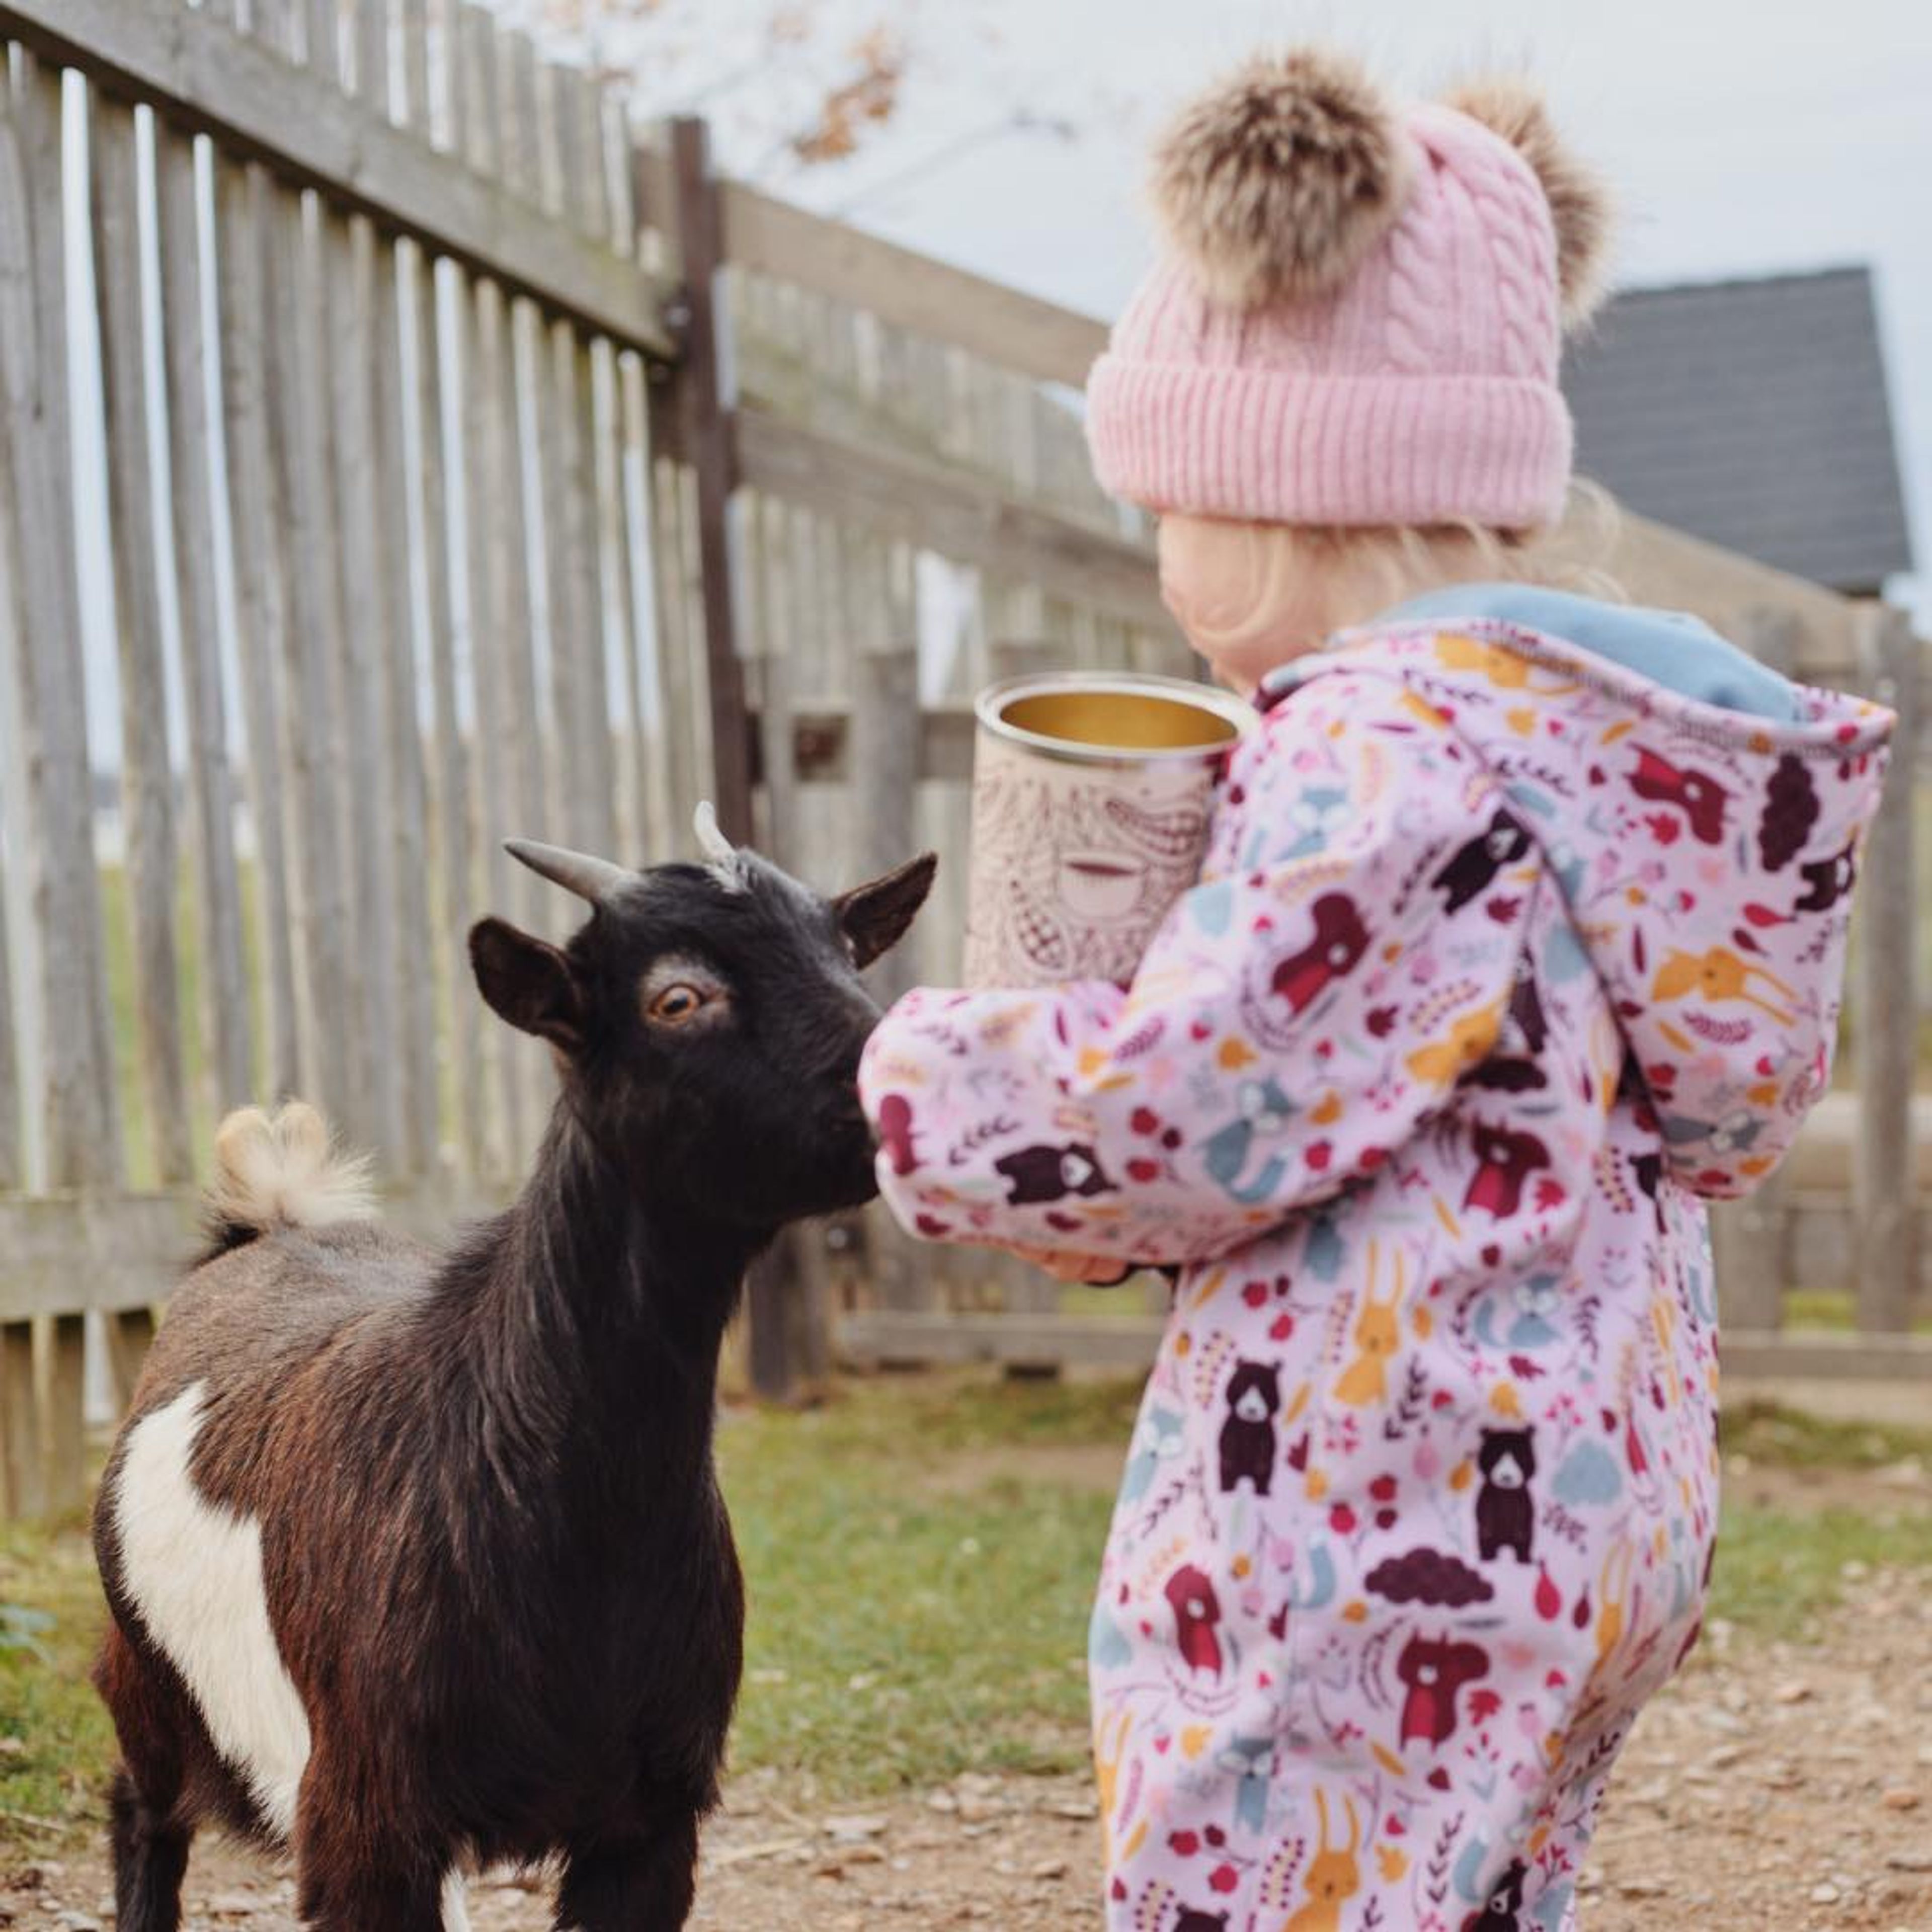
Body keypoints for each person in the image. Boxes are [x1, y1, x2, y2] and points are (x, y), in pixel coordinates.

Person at [856, 49, 1896, 1931]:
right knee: (1465, 1885)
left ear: (1286, 499)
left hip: (1371, 1516)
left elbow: (1187, 1103)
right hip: (1583, 1497)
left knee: (1261, 1883)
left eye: (1169, 508)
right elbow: (1721, 1101)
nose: (1163, 564)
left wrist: (927, 1070)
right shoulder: (1594, 760)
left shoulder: (1377, 761)